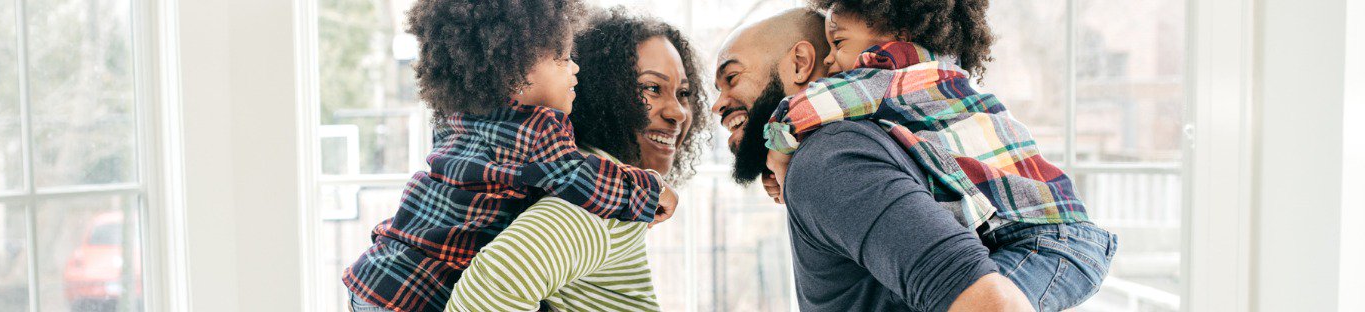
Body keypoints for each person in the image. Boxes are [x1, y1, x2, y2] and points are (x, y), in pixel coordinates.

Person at [757, 1, 1118, 310]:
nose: (831, 61)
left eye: (837, 42)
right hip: (1038, 237)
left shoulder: (895, 74)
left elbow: (812, 106)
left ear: (897, 31)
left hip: (1052, 242)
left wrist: (779, 153)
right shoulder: (933, 87)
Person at [340, 1, 678, 311]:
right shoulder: (540, 128)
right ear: (515, 74)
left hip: (374, 277)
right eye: (562, 58)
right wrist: (650, 191)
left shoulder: (456, 120)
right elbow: (580, 178)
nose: (576, 69)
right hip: (419, 294)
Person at [714, 8, 1042, 312]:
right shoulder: (875, 143)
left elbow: (995, 305)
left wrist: (786, 158)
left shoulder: (830, 159)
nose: (717, 105)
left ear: (800, 62)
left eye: (732, 78)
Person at [445, 7, 709, 311]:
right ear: (602, 91)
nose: (678, 112)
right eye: (652, 88)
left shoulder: (573, 177)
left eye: (684, 92)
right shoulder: (602, 199)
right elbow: (487, 294)